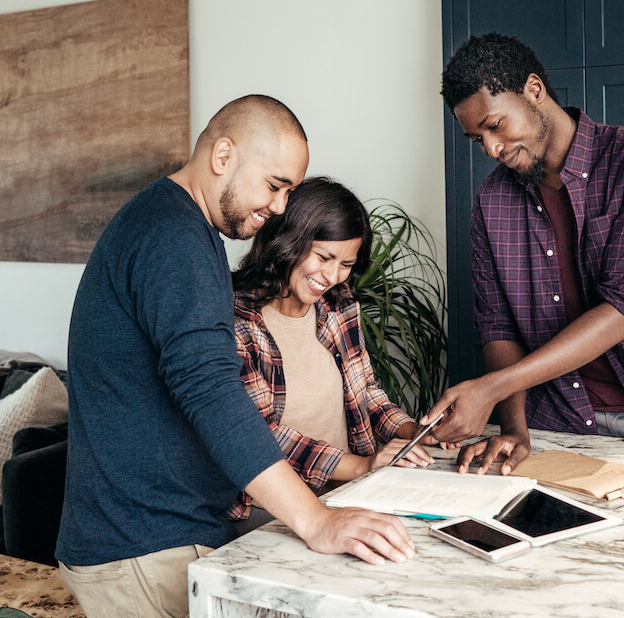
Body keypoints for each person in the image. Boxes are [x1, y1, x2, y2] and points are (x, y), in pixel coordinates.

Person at [56, 95, 414, 618]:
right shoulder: (173, 236)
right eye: (275, 185)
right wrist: (315, 520)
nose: (279, 207)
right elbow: (212, 391)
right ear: (223, 155)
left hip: (156, 536)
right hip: (146, 545)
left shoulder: (175, 227)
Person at [424, 33, 624, 476]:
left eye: (495, 125)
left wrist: (491, 388)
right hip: (554, 428)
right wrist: (515, 427)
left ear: (534, 91)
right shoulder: (491, 202)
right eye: (475, 138)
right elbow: (498, 324)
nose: (491, 149)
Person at [227, 176, 433, 525]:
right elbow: (260, 437)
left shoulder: (339, 306)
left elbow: (366, 392)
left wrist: (414, 433)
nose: (333, 276)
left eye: (347, 264)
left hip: (348, 496)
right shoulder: (235, 321)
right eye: (324, 257)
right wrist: (361, 465)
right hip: (270, 515)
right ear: (288, 241)